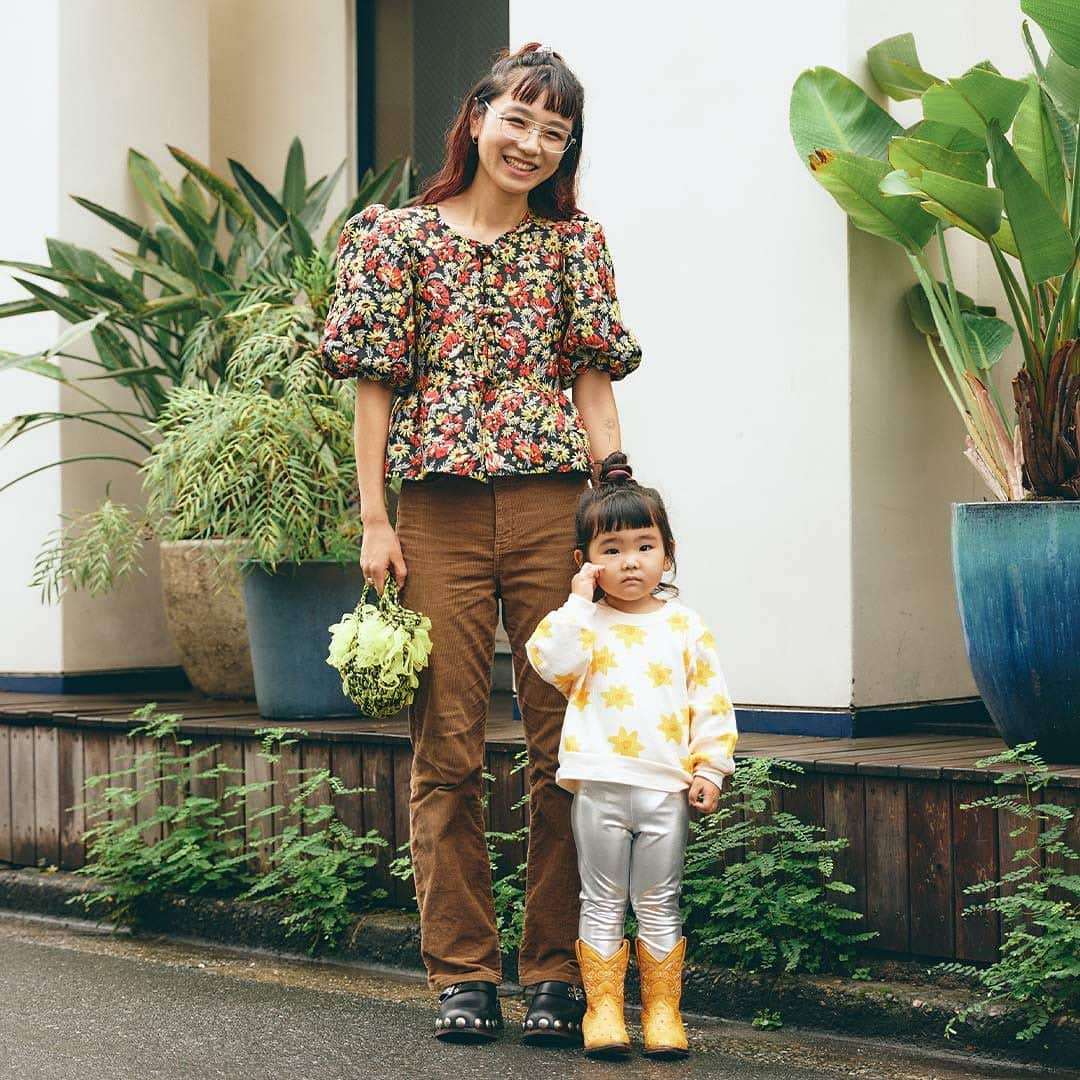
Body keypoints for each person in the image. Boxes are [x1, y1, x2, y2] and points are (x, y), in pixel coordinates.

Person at [320, 43, 642, 1045]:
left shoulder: (572, 248)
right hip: (441, 513)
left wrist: (614, 506)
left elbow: (593, 378)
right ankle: (462, 971)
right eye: (521, 120)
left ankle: (554, 970)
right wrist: (375, 518)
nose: (534, 144)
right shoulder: (395, 240)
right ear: (477, 117)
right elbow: (375, 384)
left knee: (568, 750)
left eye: (556, 132)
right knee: (447, 749)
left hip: (554, 507)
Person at [525, 453, 738, 1059]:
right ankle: (604, 1012)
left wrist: (711, 768)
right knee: (600, 899)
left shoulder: (685, 627)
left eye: (644, 547)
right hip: (599, 787)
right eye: (611, 550)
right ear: (585, 562)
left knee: (658, 900)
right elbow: (551, 665)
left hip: (665, 790)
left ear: (667, 553)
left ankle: (664, 1013)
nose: (629, 562)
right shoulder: (582, 624)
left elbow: (710, 701)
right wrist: (577, 604)